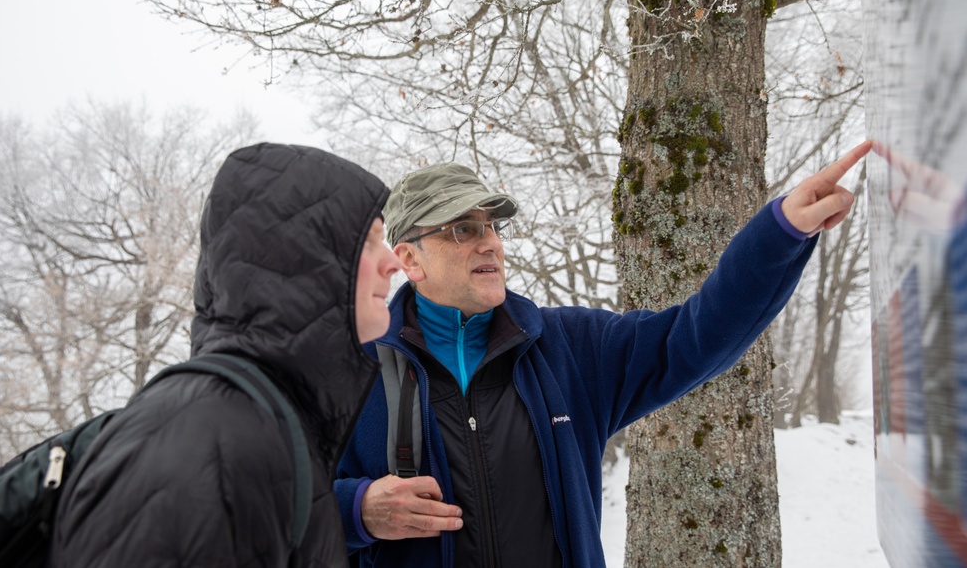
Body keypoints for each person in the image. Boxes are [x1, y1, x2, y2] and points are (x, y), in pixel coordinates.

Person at [334, 141, 873, 567]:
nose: (491, 242)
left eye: (493, 226)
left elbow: (695, 335)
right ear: (410, 258)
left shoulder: (570, 349)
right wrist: (357, 511)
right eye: (464, 229)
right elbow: (272, 511)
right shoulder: (348, 372)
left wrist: (781, 232)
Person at [50, 143, 400, 567]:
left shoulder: (269, 423)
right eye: (368, 242)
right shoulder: (208, 440)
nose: (392, 262)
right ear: (299, 259)